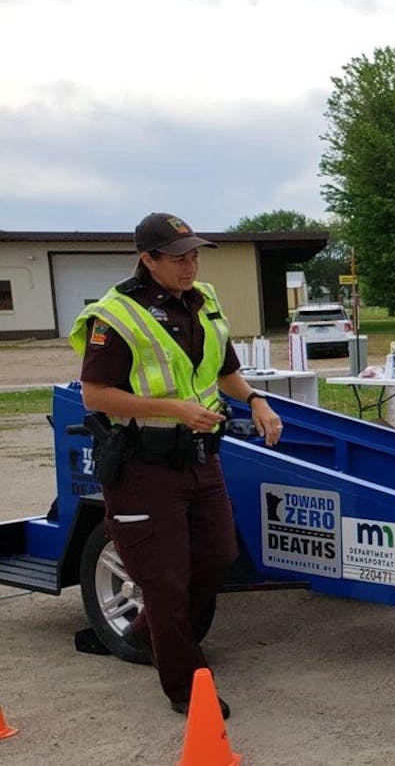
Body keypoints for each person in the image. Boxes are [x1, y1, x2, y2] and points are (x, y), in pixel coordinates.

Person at [69, 212, 284, 720]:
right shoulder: (117, 314)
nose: (191, 264)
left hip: (200, 459)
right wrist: (175, 409)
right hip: (144, 466)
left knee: (216, 556)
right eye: (179, 256)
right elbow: (94, 394)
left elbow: (225, 370)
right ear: (148, 259)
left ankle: (147, 633)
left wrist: (256, 399)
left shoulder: (202, 300)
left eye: (194, 254)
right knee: (163, 580)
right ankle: (186, 689)